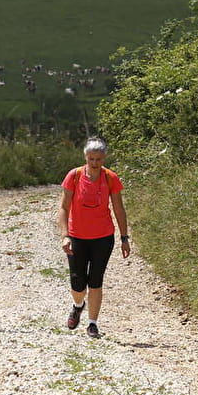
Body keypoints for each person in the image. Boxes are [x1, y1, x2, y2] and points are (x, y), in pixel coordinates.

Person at [57, 137, 130, 339]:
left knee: (95, 281)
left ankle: (92, 323)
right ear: (85, 157)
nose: (95, 163)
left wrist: (124, 238)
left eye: (98, 159)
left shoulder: (110, 178)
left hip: (103, 237)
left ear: (104, 158)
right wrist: (65, 235)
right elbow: (63, 208)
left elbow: (119, 209)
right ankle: (77, 305)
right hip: (77, 237)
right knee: (77, 282)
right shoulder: (74, 176)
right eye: (91, 159)